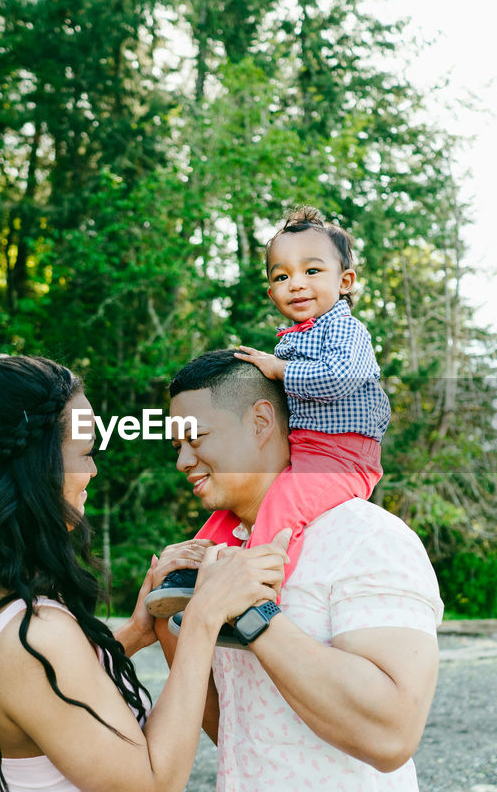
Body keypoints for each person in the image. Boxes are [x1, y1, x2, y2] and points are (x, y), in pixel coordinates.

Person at [0, 354, 288, 792]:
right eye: (84, 452)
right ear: (34, 467)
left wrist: (138, 632)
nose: (95, 469)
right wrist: (204, 619)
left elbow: (50, 706)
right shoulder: (33, 635)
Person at [153, 350, 444, 792]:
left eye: (196, 438)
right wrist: (170, 617)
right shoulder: (222, 557)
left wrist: (253, 613)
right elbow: (237, 728)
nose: (183, 461)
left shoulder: (367, 537)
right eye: (177, 445)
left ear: (261, 422)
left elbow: (392, 733)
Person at [145, 206, 389, 617]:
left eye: (312, 271)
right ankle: (191, 576)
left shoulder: (346, 330)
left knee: (280, 506)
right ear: (271, 292)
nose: (296, 284)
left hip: (342, 456)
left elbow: (340, 378)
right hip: (306, 448)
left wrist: (281, 371)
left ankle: (254, 602)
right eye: (281, 276)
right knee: (223, 519)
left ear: (344, 281)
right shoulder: (292, 339)